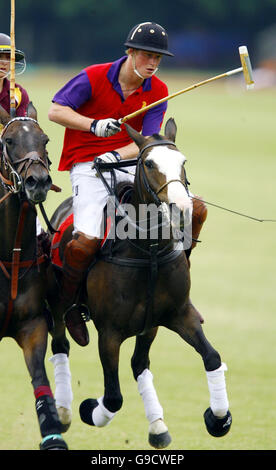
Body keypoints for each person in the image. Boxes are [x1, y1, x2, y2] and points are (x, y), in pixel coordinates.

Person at [48, 21, 207, 346]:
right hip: (87, 165)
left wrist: (115, 153)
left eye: (158, 58)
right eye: (147, 55)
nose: (152, 63)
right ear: (130, 52)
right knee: (88, 240)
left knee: (190, 211)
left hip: (132, 162)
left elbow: (148, 140)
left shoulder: (158, 90)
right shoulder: (94, 76)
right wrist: (94, 126)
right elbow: (55, 110)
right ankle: (69, 307)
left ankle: (178, 296)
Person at [0, 33, 51, 255]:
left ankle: (38, 241)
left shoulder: (18, 93)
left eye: (8, 58)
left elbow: (23, 130)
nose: (3, 63)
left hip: (7, 155)